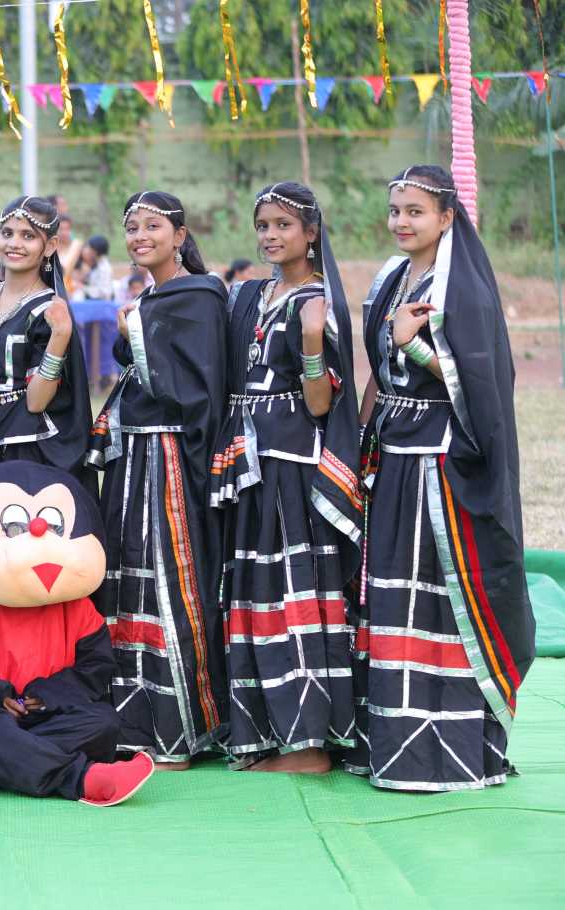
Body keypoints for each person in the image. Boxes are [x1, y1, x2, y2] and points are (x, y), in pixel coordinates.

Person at [349, 165, 534, 791]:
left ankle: (447, 750)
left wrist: (416, 345)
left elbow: (481, 385)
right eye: (395, 210)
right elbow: (380, 372)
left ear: (447, 217)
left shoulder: (463, 288)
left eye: (415, 211)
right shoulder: (391, 278)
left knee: (437, 595)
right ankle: (391, 743)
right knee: (391, 592)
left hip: (440, 466)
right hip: (391, 460)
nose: (401, 222)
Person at [208, 183, 362, 772]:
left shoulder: (319, 301)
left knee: (293, 592)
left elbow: (321, 404)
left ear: (312, 233)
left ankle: (311, 744)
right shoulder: (252, 294)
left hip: (291, 470)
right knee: (254, 593)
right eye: (263, 226)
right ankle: (266, 732)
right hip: (247, 466)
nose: (271, 236)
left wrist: (312, 339)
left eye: (283, 225)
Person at [86, 191, 228, 770]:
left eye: (153, 226)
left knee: (171, 579)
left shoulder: (202, 295)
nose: (140, 236)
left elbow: (194, 388)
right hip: (131, 458)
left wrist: (136, 331)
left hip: (171, 457)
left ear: (180, 234)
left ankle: (181, 728)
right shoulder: (146, 298)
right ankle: (132, 724)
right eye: (132, 227)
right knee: (128, 582)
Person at [0, 462, 156, 805]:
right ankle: (80, 779)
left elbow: (95, 672)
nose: (37, 530)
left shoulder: (77, 607)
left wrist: (46, 697)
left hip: (48, 718)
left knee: (103, 722)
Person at [0, 195, 92, 482]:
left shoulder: (50, 310)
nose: (14, 243)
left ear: (50, 246)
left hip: (23, 446)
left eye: (28, 236)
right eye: (7, 233)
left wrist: (60, 336)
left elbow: (36, 402)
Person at [72, 235, 114, 302]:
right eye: (87, 247)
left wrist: (83, 287)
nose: (85, 250)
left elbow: (104, 292)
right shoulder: (85, 262)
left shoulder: (104, 267)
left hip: (100, 302)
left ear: (96, 252)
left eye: (89, 249)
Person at [56, 215, 84, 298]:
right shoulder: (50, 247)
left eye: (67, 229)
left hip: (72, 286)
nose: (64, 233)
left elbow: (82, 269)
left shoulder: (76, 246)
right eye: (61, 229)